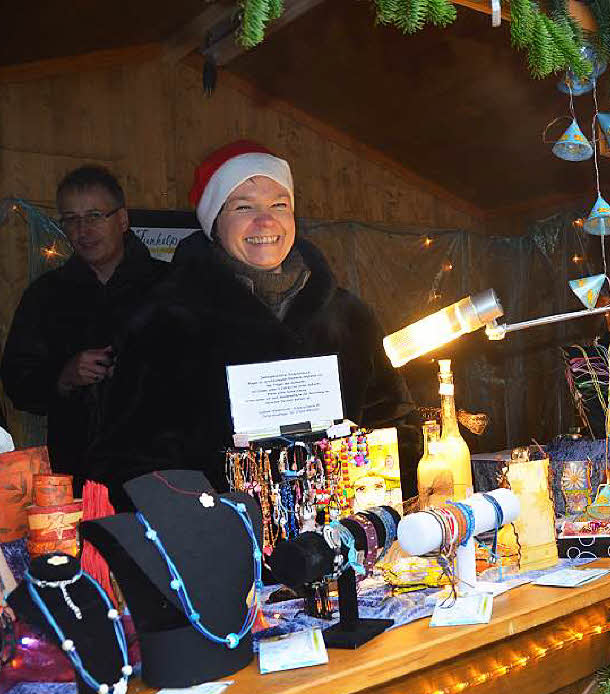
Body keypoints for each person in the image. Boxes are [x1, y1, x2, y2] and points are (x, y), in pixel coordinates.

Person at [87, 141, 414, 499]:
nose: (266, 221)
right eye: (244, 206)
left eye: (279, 204)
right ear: (214, 223)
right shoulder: (163, 321)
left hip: (341, 533)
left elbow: (393, 420)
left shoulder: (349, 315)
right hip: (220, 538)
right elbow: (127, 457)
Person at [0, 166, 167, 489]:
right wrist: (63, 376)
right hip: (78, 475)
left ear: (122, 220)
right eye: (71, 219)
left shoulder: (169, 286)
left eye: (94, 216)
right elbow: (17, 382)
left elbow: (205, 378)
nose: (82, 230)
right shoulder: (45, 295)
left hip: (162, 472)